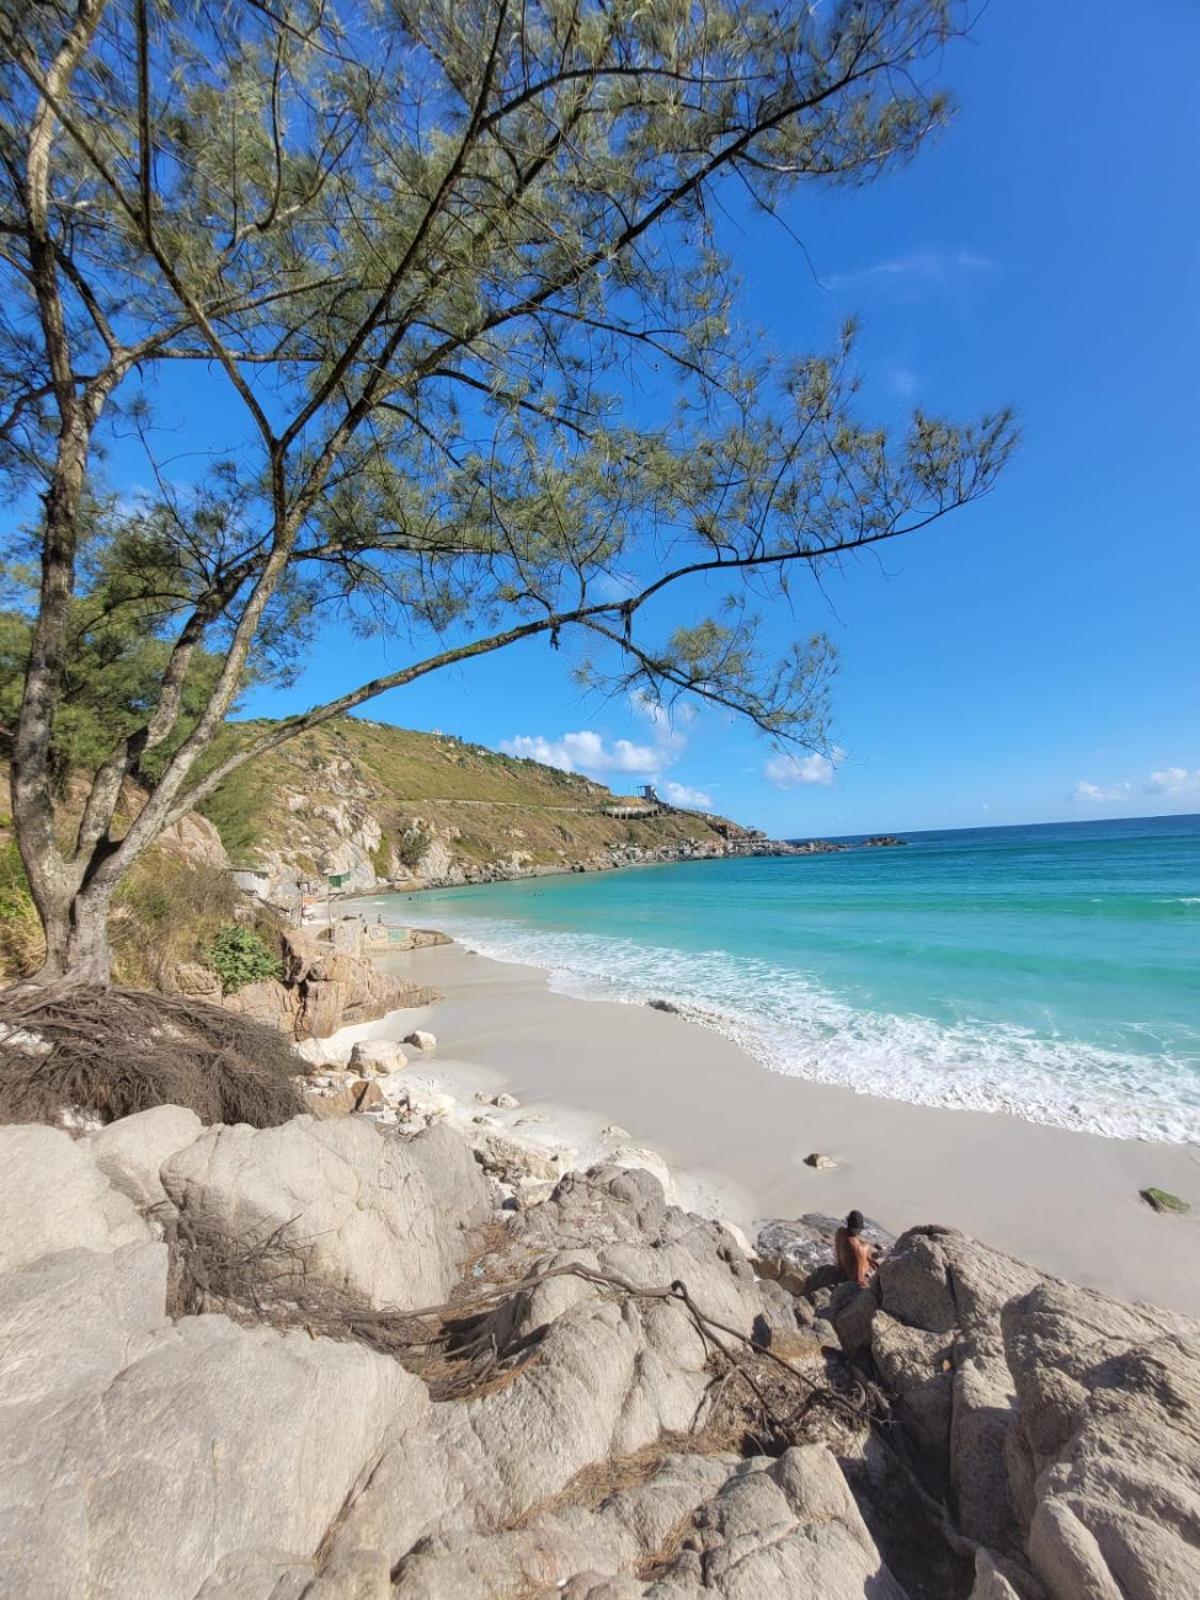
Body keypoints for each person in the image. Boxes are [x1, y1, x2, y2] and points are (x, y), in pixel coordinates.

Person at [834, 1210, 877, 1288]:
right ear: (860, 1228)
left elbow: (854, 1240)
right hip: (852, 1278)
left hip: (842, 1269)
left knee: (866, 1248)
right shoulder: (860, 1249)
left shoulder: (840, 1232)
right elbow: (859, 1280)